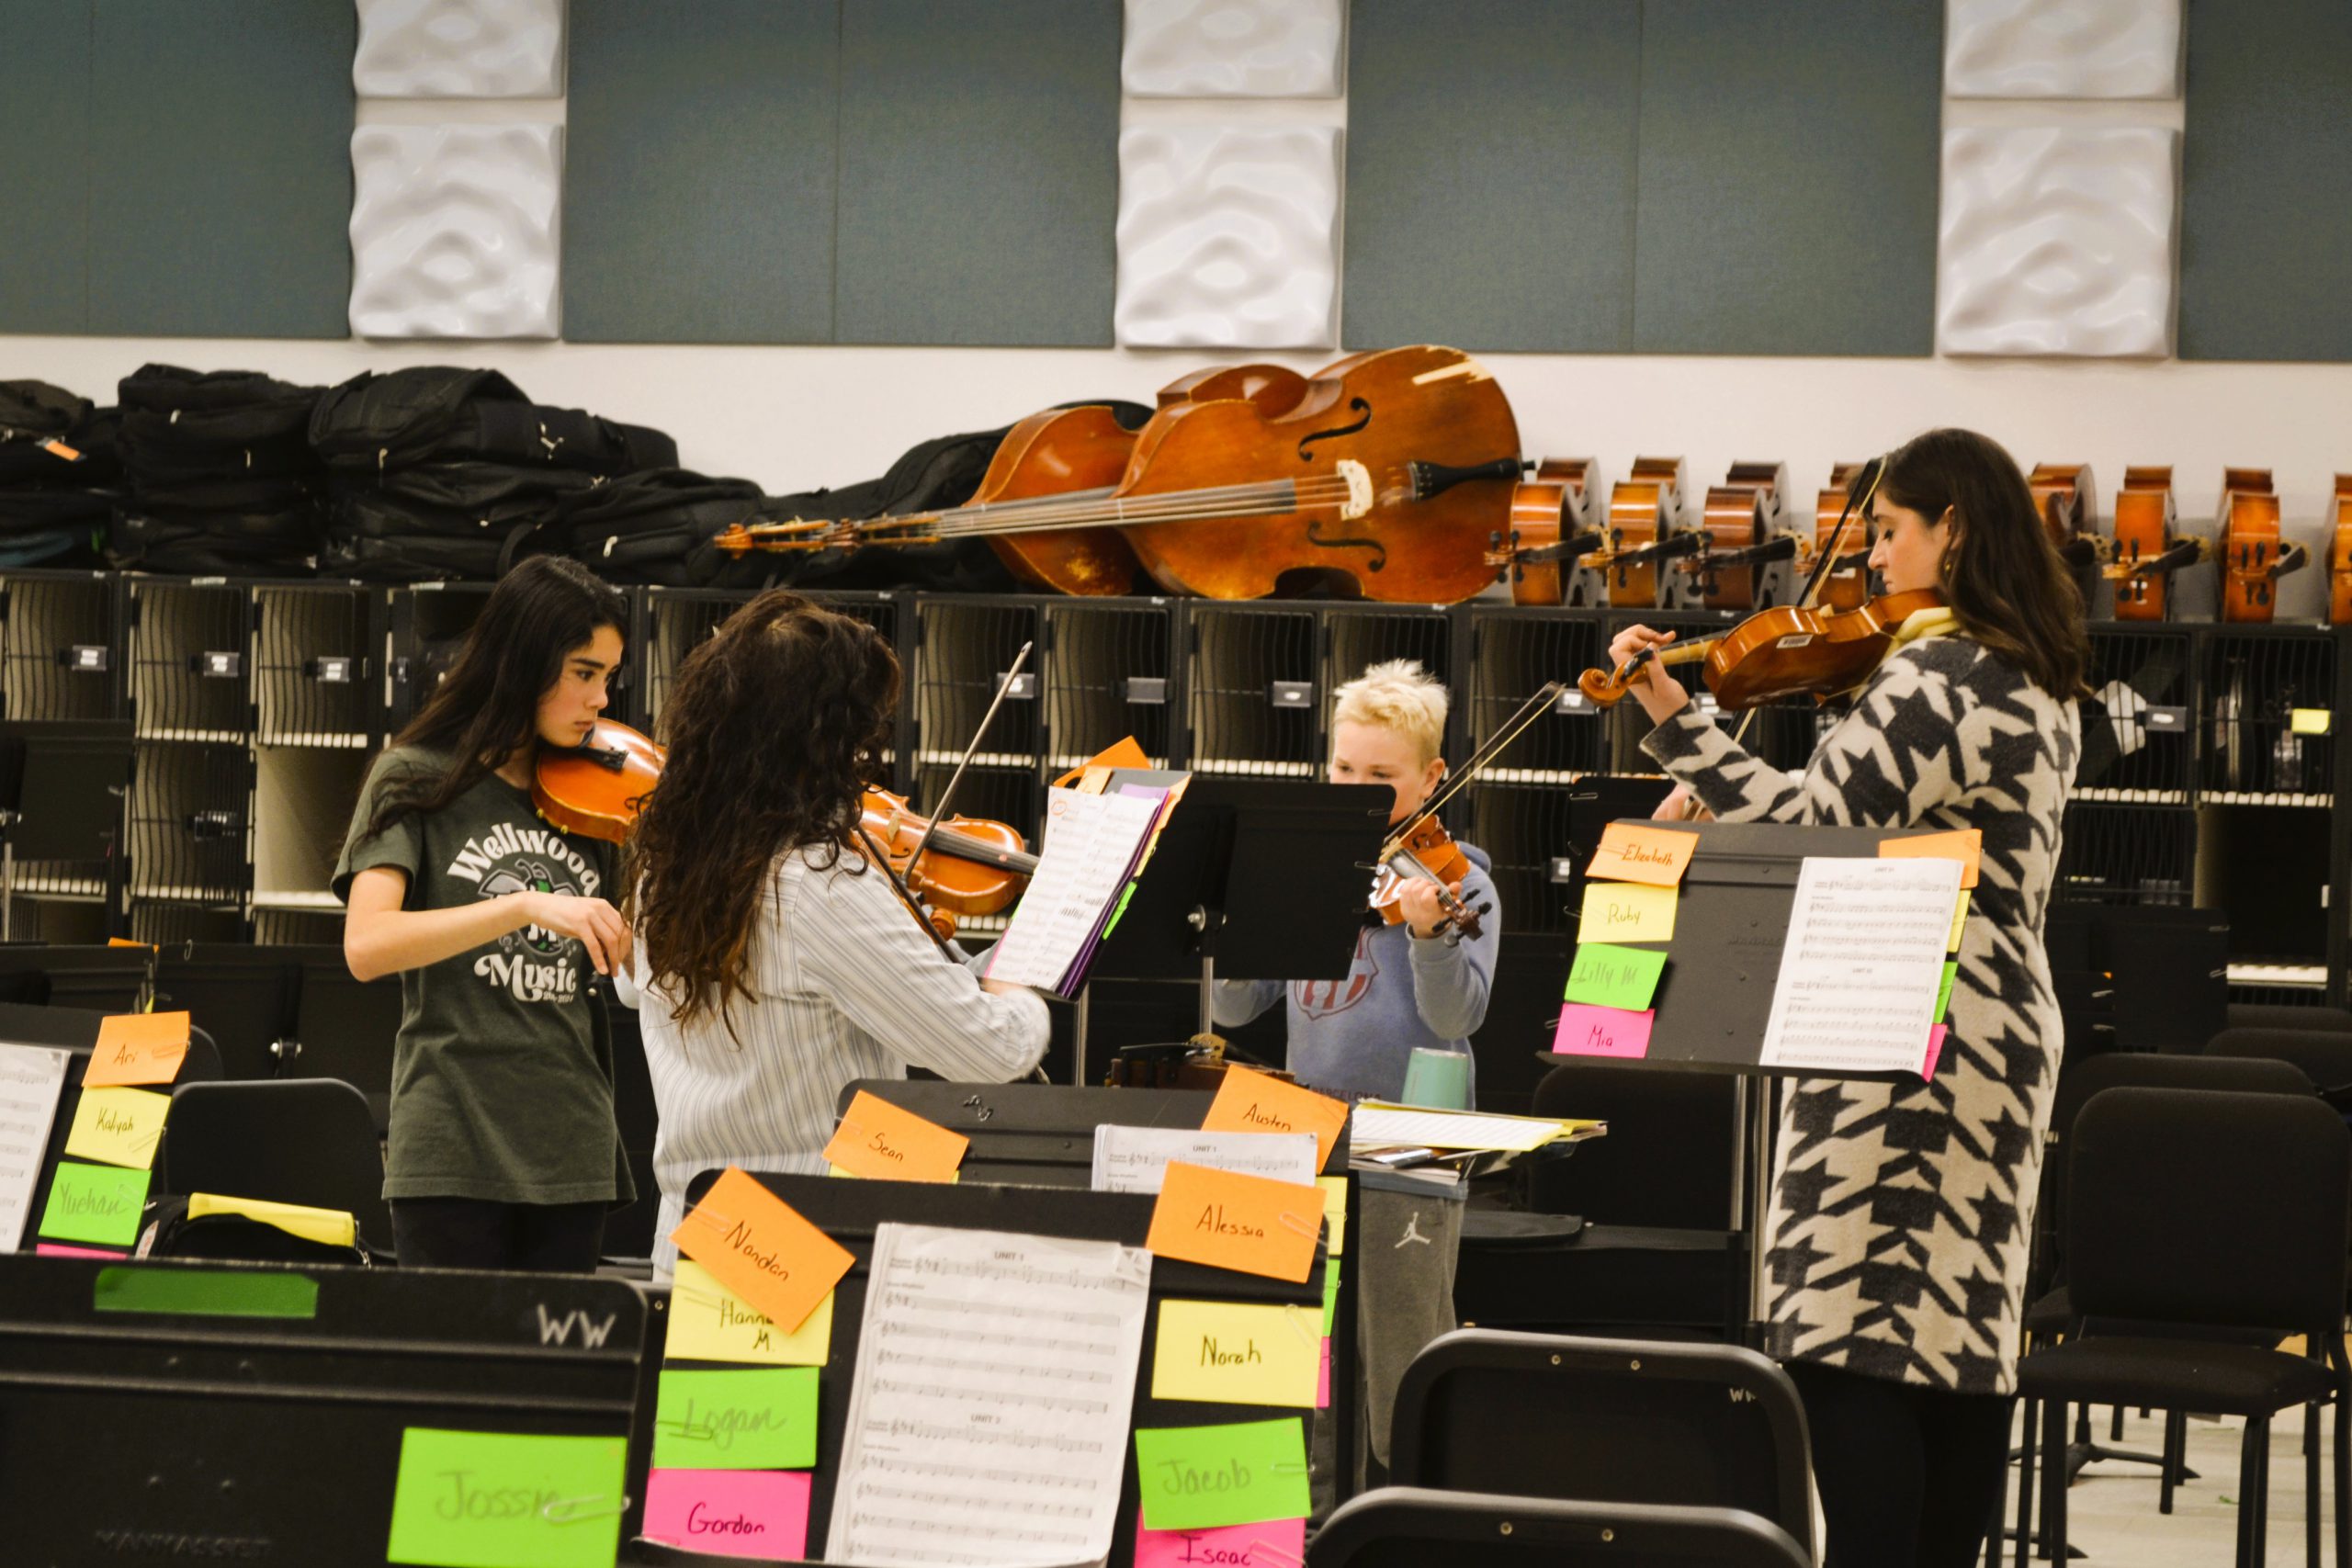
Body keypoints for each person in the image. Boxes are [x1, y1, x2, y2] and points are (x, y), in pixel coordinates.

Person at [1608, 429, 2085, 1568]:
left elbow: (1818, 832)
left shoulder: (1940, 669)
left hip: (1904, 1025)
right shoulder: (2032, 670)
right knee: (1954, 1350)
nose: (1869, 557)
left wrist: (1679, 724)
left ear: (1951, 530)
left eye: (1887, 530)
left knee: (1839, 1346)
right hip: (1995, 1028)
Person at [620, 590, 1049, 1280]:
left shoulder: (663, 870)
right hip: (808, 1261)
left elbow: (632, 986)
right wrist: (1024, 970)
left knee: (710, 1396)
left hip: (696, 1245)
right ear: (820, 742)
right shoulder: (825, 888)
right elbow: (991, 1050)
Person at [334, 556, 636, 1273]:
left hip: (571, 1140)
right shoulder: (415, 774)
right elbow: (367, 945)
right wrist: (521, 906)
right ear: (523, 663)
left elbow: (630, 957)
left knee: (557, 1384)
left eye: (609, 676)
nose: (601, 699)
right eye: (583, 672)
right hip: (452, 1142)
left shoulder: (595, 791)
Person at [1211, 659, 1498, 1102]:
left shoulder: (1465, 884)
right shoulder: (1306, 868)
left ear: (1430, 776)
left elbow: (1455, 1021)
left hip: (1416, 1133)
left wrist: (1429, 936)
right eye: (1344, 768)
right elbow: (1231, 1011)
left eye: (1380, 776)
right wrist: (1242, 923)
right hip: (1311, 1124)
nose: (1356, 788)